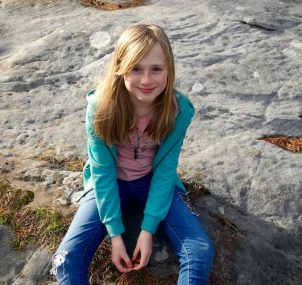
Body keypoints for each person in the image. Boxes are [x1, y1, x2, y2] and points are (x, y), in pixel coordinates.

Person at [51, 24, 214, 285]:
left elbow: (165, 169)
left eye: (156, 69)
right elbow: (102, 172)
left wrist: (147, 229)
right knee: (66, 259)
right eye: (136, 68)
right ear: (119, 67)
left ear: (169, 70)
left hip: (155, 182)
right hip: (109, 182)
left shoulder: (179, 111)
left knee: (199, 250)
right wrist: (115, 235)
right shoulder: (99, 108)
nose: (147, 80)